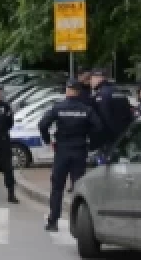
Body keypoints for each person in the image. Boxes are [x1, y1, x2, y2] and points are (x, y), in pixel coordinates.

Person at [38, 78, 102, 232]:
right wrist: (91, 144)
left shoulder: (58, 108)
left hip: (62, 150)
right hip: (79, 150)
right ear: (79, 92)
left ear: (67, 91)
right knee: (79, 188)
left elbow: (42, 124)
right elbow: (98, 127)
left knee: (57, 187)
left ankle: (53, 221)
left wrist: (48, 140)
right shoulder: (86, 109)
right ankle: (77, 223)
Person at [89, 68, 133, 150]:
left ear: (98, 78)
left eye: (91, 79)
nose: (90, 82)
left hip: (109, 140)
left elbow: (105, 118)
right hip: (123, 136)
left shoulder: (101, 94)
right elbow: (129, 114)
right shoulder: (118, 92)